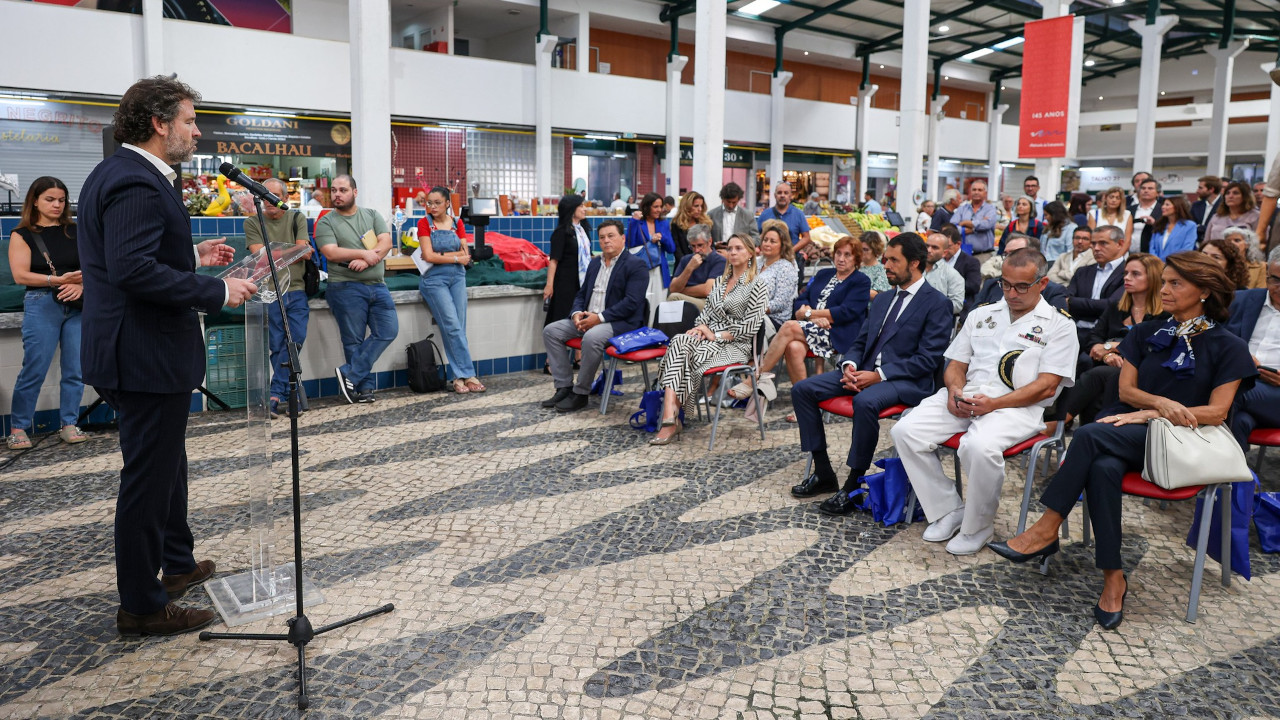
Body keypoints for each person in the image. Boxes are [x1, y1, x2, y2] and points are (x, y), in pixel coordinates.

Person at [79, 76, 257, 636]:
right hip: (144, 354)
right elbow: (132, 272)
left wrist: (192, 254)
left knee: (168, 466)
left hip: (142, 349)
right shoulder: (135, 179)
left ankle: (176, 563)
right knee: (148, 480)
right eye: (188, 119)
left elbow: (131, 255)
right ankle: (141, 604)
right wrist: (216, 289)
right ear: (158, 124)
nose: (196, 129)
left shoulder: (125, 173)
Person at [992, 251, 1253, 630]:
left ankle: (1047, 528)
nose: (1164, 289)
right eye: (1164, 281)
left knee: (1092, 435)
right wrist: (1158, 403)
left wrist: (1154, 412)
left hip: (1184, 443)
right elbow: (1127, 390)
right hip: (1125, 433)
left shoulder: (1228, 345)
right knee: (1102, 464)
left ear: (1204, 292)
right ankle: (1113, 579)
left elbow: (1217, 412)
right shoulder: (1147, 332)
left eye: (1175, 283)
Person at [891, 248, 1078, 555]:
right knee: (906, 431)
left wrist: (994, 404)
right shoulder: (982, 314)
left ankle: (978, 525)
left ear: (1042, 284)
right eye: (1005, 284)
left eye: (1021, 286)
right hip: (967, 396)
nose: (1011, 293)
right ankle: (948, 509)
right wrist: (954, 391)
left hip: (1016, 407)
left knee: (977, 447)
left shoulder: (1059, 325)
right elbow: (955, 364)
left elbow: (1046, 386)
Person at [790, 233, 954, 513]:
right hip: (864, 372)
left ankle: (853, 485)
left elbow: (927, 360)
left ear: (914, 263)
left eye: (893, 260)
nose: (885, 265)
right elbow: (860, 341)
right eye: (886, 258)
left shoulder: (936, 303)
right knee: (802, 390)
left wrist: (880, 375)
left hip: (907, 381)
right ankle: (824, 472)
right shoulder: (883, 299)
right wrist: (850, 365)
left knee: (865, 402)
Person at [728, 237, 870, 418]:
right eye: (839, 254)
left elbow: (846, 312)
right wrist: (812, 316)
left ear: (856, 259)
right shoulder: (823, 274)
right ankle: (805, 407)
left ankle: (754, 378)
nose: (841, 258)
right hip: (812, 329)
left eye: (847, 255)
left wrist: (811, 315)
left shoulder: (861, 281)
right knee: (793, 347)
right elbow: (801, 301)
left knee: (788, 326)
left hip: (838, 333)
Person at [650, 233, 769, 445]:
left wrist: (716, 335)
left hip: (736, 345)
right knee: (680, 340)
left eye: (739, 248)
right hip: (709, 339)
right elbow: (706, 315)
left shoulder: (757, 285)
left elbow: (750, 327)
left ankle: (671, 419)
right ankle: (671, 413)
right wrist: (699, 329)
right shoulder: (720, 283)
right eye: (730, 248)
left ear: (751, 253)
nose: (732, 252)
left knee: (684, 353)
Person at [6, 177, 87, 449]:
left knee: (75, 368)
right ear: (35, 201)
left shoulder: (76, 231)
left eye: (61, 200)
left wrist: (81, 284)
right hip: (42, 302)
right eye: (50, 199)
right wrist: (59, 281)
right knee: (35, 368)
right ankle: (18, 428)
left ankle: (69, 424)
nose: (56, 204)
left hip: (77, 303)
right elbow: (20, 275)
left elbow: (96, 265)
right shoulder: (23, 234)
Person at [542, 219, 648, 413]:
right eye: (602, 237)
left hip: (620, 323)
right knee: (551, 331)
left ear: (623, 238)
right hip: (588, 319)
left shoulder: (636, 265)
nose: (606, 241)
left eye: (611, 236)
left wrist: (598, 318)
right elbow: (582, 294)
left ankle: (581, 393)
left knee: (592, 337)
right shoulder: (594, 263)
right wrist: (576, 314)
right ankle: (564, 386)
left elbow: (632, 302)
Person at [316, 174, 398, 403]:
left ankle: (349, 374)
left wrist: (367, 261)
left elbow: (386, 242)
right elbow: (331, 252)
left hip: (377, 286)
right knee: (354, 340)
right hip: (345, 286)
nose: (337, 195)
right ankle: (363, 389)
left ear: (355, 192)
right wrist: (363, 253)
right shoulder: (327, 221)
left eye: (342, 190)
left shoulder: (371, 215)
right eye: (333, 190)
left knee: (388, 330)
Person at [1065, 253, 1169, 425]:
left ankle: (1057, 423)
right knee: (1096, 374)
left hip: (1142, 370)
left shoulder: (1164, 312)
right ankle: (1086, 429)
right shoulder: (1117, 306)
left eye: (1135, 274)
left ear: (1153, 278)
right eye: (1126, 273)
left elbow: (1152, 345)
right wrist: (1107, 354)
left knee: (1097, 375)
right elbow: (1093, 337)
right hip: (1110, 365)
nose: (1127, 278)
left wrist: (1114, 346)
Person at [244, 177, 314, 417]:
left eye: (273, 196)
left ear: (284, 198)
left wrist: (278, 251)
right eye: (264, 196)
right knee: (277, 345)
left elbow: (303, 252)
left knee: (296, 339)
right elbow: (261, 257)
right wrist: (294, 250)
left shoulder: (297, 218)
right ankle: (290, 394)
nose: (268, 201)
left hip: (296, 290)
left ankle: (276, 394)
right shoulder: (253, 222)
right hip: (270, 291)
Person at [413, 185, 483, 394]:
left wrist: (453, 257)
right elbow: (428, 255)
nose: (432, 207)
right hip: (434, 280)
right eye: (429, 203)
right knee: (452, 325)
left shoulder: (457, 223)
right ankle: (468, 373)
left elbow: (466, 253)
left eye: (436, 203)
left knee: (458, 327)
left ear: (447, 204)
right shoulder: (424, 224)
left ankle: (457, 377)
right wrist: (454, 257)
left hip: (458, 278)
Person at [1227, 246, 1280, 445]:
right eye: (1275, 279)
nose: (1279, 287)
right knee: (1239, 421)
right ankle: (1235, 476)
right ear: (1266, 274)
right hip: (1243, 382)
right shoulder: (1241, 300)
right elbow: (1214, 339)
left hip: (1274, 393)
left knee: (1233, 393)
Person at [1064, 225, 1130, 343]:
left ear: (1120, 244)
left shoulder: (1128, 273)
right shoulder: (1082, 272)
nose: (1096, 248)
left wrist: (1074, 302)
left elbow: (1112, 305)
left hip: (1107, 337)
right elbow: (1065, 300)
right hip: (1074, 332)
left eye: (1103, 243)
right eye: (1093, 244)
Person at [545, 193, 592, 333]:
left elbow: (587, 255)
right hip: (565, 284)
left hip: (582, 282)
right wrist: (549, 285)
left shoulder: (583, 230)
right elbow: (554, 260)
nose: (584, 209)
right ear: (571, 209)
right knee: (561, 318)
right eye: (581, 206)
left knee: (581, 318)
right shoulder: (561, 233)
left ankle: (579, 354)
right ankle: (552, 354)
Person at [626, 192, 676, 299]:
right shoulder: (637, 222)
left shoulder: (663, 223)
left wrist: (662, 238)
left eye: (660, 206)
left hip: (659, 270)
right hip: (641, 270)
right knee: (641, 304)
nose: (659, 210)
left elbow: (671, 248)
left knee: (658, 305)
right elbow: (629, 243)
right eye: (655, 207)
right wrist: (634, 222)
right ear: (647, 207)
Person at [667, 224, 727, 309]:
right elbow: (673, 288)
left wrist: (682, 291)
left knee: (674, 297)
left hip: (709, 302)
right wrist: (689, 268)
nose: (696, 250)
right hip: (687, 299)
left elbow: (707, 290)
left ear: (709, 242)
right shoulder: (686, 260)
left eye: (700, 245)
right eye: (693, 246)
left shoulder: (719, 260)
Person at [756, 220, 800, 328]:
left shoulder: (786, 267)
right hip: (751, 314)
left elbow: (779, 303)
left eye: (772, 241)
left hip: (773, 320)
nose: (767, 244)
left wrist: (753, 310)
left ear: (782, 245)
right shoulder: (757, 262)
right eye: (765, 240)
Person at [758, 182, 811, 260]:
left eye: (786, 193)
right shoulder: (765, 214)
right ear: (775, 195)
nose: (782, 195)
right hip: (769, 260)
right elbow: (758, 236)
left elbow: (806, 237)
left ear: (790, 196)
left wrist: (791, 251)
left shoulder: (798, 214)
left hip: (792, 259)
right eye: (779, 193)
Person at [935, 223, 982, 305]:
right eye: (942, 247)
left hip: (962, 305)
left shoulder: (971, 262)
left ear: (958, 244)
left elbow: (974, 286)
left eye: (948, 246)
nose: (945, 250)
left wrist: (947, 287)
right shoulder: (937, 260)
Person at [949, 180, 999, 254]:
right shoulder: (962, 209)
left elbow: (986, 225)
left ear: (985, 193)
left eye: (980, 190)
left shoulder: (990, 209)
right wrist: (967, 229)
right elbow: (952, 227)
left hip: (983, 254)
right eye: (974, 190)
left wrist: (965, 223)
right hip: (963, 253)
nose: (976, 192)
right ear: (970, 192)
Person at [923, 230, 967, 314]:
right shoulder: (913, 268)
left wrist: (931, 307)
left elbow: (957, 305)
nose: (929, 250)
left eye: (934, 247)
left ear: (944, 253)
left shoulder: (953, 275)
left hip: (935, 321)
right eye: (927, 246)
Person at [708, 181, 757, 248]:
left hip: (741, 254)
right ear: (723, 199)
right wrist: (714, 245)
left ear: (739, 199)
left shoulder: (748, 215)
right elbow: (706, 237)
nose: (731, 205)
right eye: (728, 202)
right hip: (718, 253)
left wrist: (742, 244)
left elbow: (756, 238)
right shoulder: (712, 214)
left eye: (734, 202)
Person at [1147, 195, 1196, 261]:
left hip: (1177, 265)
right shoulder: (1159, 225)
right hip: (1157, 265)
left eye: (1167, 205)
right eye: (1163, 204)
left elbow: (1187, 249)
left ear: (1177, 207)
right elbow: (1152, 247)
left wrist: (1169, 263)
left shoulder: (1190, 226)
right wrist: (1158, 262)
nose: (1163, 207)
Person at [1224, 226, 1268, 291]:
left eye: (1237, 240)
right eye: (1228, 241)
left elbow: (1260, 293)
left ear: (1247, 244)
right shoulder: (1219, 263)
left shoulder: (1261, 266)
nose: (1231, 243)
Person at [670, 191, 708, 261]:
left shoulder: (705, 223)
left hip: (704, 264)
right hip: (684, 265)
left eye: (701, 206)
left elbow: (710, 246)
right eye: (696, 206)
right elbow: (677, 250)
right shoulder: (676, 225)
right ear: (687, 206)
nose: (700, 209)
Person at [856, 231, 891, 300]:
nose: (862, 252)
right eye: (860, 249)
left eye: (865, 250)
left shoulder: (882, 270)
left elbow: (877, 294)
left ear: (875, 250)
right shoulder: (854, 266)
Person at [1131, 177, 1163, 250]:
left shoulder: (1163, 210)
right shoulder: (1129, 209)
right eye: (1143, 188)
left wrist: (1154, 223)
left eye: (1150, 188)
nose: (1146, 191)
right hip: (1129, 253)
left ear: (1158, 193)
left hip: (1151, 252)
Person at [1192, 175, 1224, 244]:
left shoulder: (1225, 206)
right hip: (1195, 244)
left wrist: (1200, 228)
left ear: (1211, 189)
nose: (1197, 191)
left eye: (1200, 188)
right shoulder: (1196, 205)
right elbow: (1190, 225)